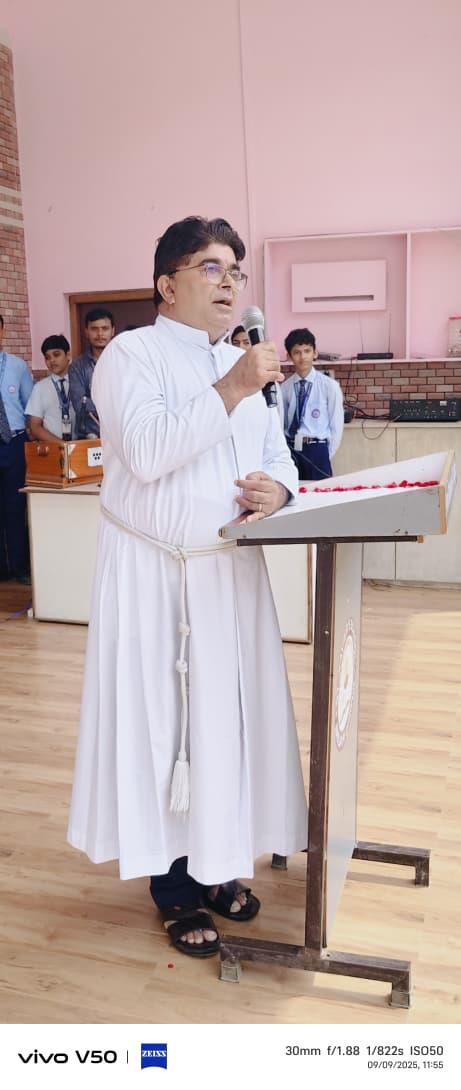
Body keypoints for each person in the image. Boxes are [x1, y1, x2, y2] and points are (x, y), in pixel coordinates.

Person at [68, 215, 308, 959]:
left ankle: (215, 865)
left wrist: (279, 490)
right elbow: (146, 453)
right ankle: (174, 888)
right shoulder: (131, 355)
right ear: (167, 286)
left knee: (227, 725)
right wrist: (232, 386)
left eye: (236, 269)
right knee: (167, 727)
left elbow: (278, 457)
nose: (230, 282)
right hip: (158, 579)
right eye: (211, 267)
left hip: (229, 574)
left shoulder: (242, 365)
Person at [281, 327, 344, 480]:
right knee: (294, 493)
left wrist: (325, 455)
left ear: (315, 353)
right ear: (289, 356)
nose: (303, 357)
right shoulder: (285, 388)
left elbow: (336, 426)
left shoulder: (329, 386)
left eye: (307, 351)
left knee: (321, 493)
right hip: (292, 450)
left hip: (318, 449)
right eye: (297, 352)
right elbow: (282, 424)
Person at [0, 313, 33, 584]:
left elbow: (29, 405)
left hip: (14, 442)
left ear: (2, 332)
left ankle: (20, 566)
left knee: (15, 505)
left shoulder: (18, 366)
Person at [69, 308, 115, 437]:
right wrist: (114, 404)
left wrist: (92, 402)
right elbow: (80, 405)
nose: (100, 334)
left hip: (120, 435)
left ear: (113, 331)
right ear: (86, 332)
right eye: (94, 329)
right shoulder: (77, 366)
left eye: (105, 328)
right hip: (89, 436)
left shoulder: (124, 362)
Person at [26, 335, 77, 442]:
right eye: (47, 357)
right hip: (52, 447)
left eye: (56, 355)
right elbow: (35, 426)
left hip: (81, 446)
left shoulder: (79, 383)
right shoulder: (40, 388)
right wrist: (62, 445)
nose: (52, 360)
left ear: (68, 355)